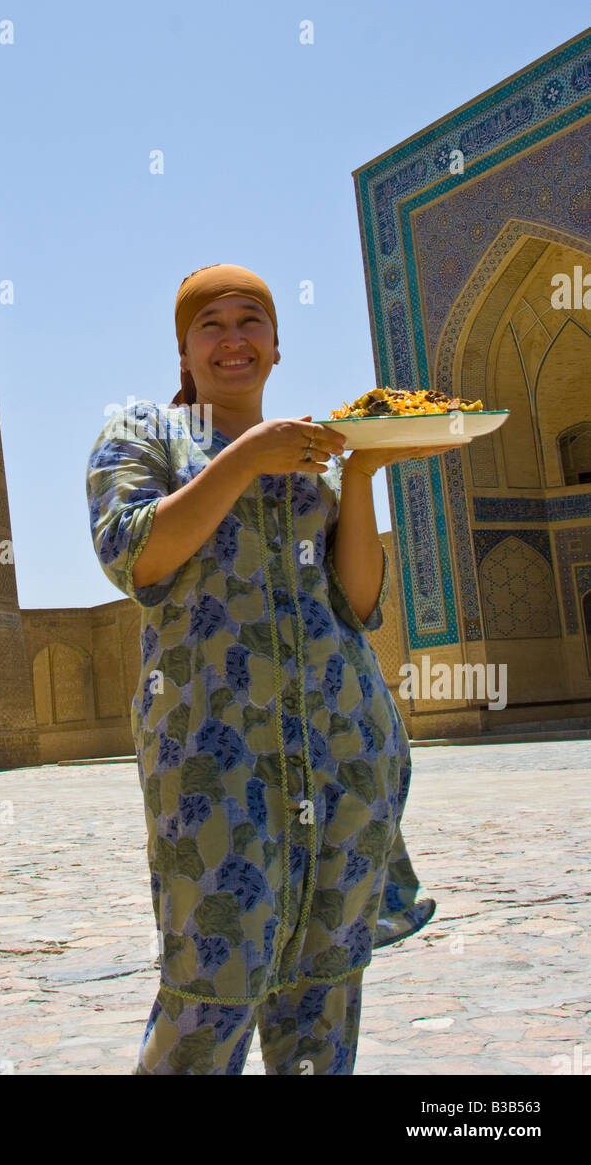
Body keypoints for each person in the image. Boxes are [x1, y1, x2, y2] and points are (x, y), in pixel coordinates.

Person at [85, 263, 449, 1075]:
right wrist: (246, 457)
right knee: (211, 987)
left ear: (278, 345)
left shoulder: (308, 460)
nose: (233, 338)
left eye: (251, 320)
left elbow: (354, 604)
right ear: (184, 350)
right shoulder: (143, 437)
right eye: (210, 324)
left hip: (341, 758)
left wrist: (359, 473)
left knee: (322, 990)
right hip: (217, 758)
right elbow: (136, 554)